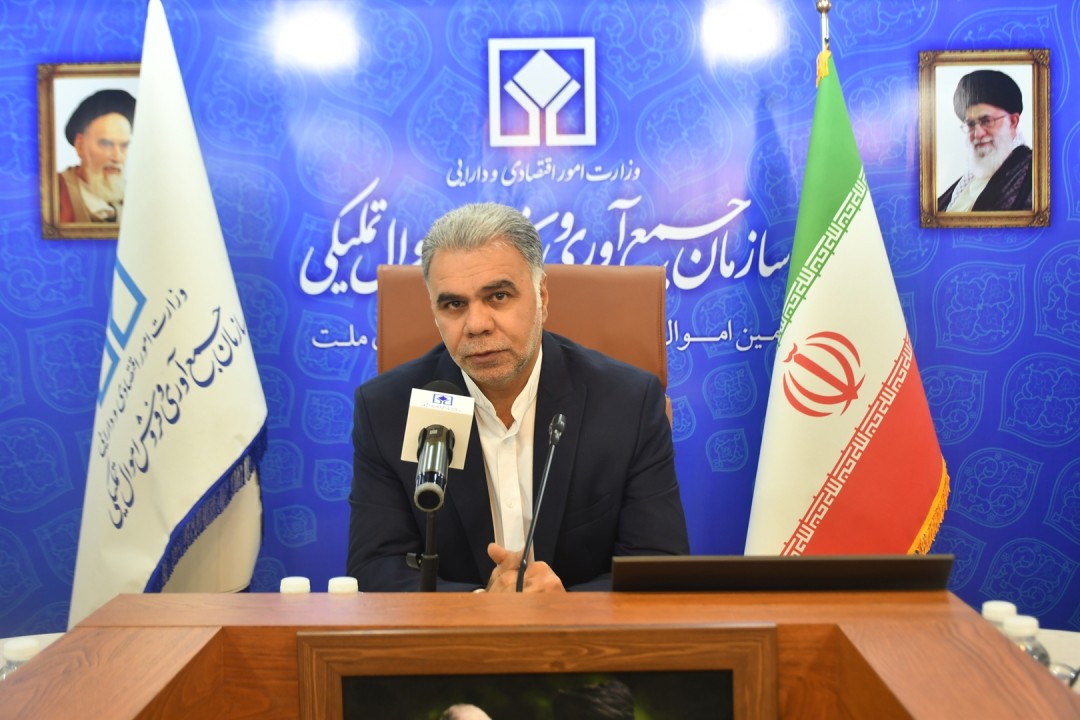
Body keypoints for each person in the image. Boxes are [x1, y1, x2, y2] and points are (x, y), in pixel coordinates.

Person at [347, 202, 688, 592]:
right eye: (454, 304)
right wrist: (480, 605)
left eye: (498, 296)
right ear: (434, 311)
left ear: (542, 296)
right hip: (456, 632)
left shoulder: (627, 404)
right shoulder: (387, 410)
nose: (477, 325)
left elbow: (660, 566)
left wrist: (564, 606)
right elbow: (374, 568)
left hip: (584, 631)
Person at [937, 69, 1032, 212]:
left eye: (986, 121)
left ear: (1013, 122)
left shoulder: (1034, 173)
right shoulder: (968, 179)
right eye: (970, 124)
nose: (978, 134)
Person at [57, 88, 135, 224]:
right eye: (106, 144)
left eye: (124, 146)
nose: (117, 157)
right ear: (80, 145)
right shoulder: (54, 194)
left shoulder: (135, 197)